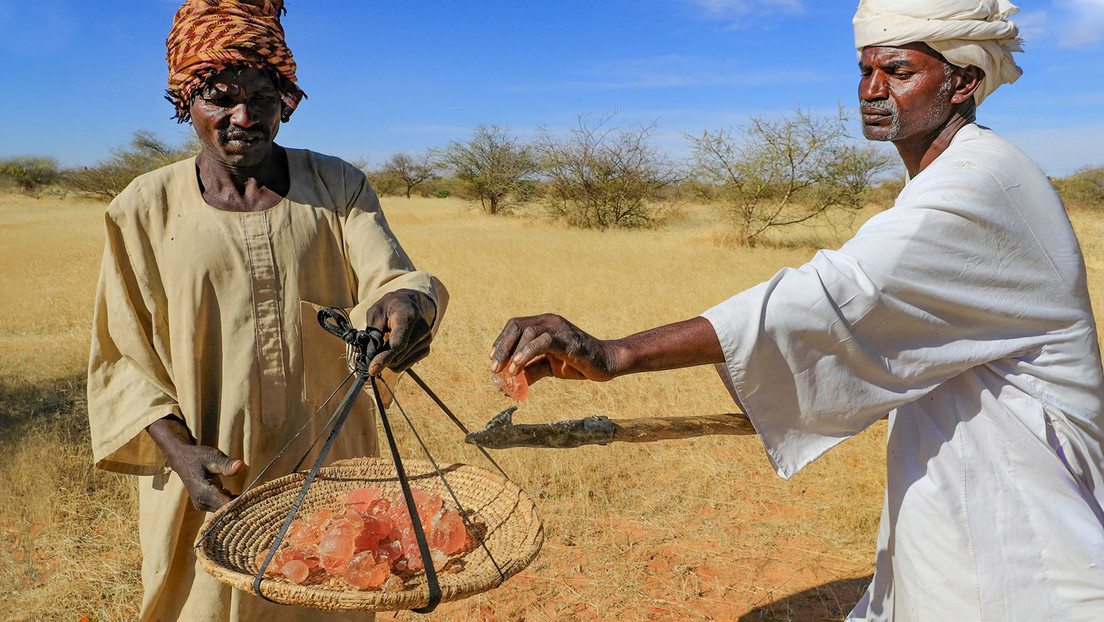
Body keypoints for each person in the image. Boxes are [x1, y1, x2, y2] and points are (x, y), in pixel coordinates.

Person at [489, 1, 1104, 619]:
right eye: (864, 71)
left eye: (897, 72)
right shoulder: (957, 173)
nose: (870, 90)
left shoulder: (979, 182)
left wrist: (616, 354)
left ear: (964, 82)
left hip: (1019, 491)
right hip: (964, 476)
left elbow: (833, 295)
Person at [86, 1, 447, 620]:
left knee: (332, 593)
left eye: (263, 95)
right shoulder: (140, 209)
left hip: (331, 464)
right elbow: (123, 360)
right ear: (185, 104)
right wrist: (180, 452)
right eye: (220, 98)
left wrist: (408, 299)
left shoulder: (338, 186)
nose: (243, 116)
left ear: (287, 98)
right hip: (209, 475)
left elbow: (392, 274)